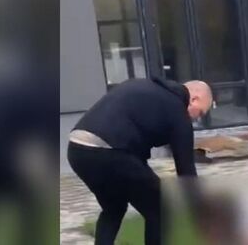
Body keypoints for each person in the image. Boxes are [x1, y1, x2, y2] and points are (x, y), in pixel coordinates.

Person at [67, 77, 213, 245]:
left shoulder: (145, 86)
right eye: (200, 113)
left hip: (77, 149)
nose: (196, 119)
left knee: (114, 207)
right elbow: (186, 172)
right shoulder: (178, 112)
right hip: (111, 151)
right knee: (161, 207)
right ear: (194, 99)